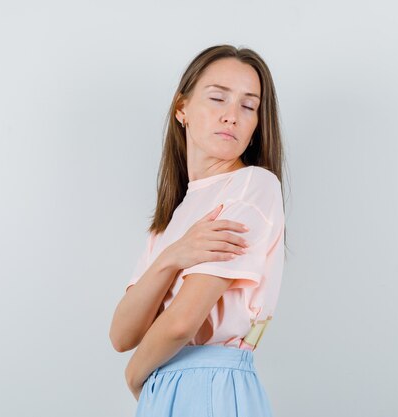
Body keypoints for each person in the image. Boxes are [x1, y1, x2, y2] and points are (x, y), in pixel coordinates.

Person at [109, 44, 287, 417]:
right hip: (165, 384)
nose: (232, 116)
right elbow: (122, 333)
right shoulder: (170, 220)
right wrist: (171, 256)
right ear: (182, 108)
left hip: (210, 383)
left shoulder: (252, 185)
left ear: (256, 125)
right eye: (218, 98)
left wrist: (134, 375)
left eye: (248, 106)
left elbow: (182, 322)